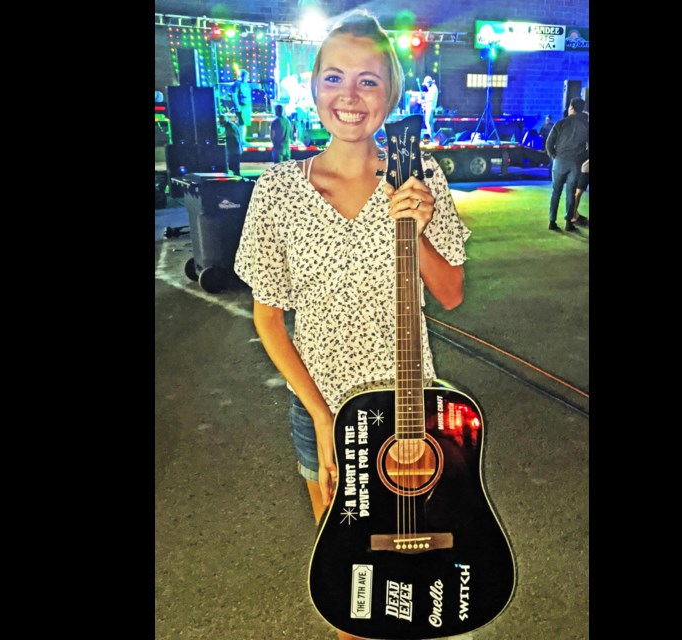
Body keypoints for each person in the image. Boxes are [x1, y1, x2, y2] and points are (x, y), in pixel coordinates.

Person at [233, 10, 470, 640]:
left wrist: (411, 227)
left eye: (369, 81)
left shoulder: (421, 179)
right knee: (352, 582)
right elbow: (269, 317)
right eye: (335, 77)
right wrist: (320, 415)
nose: (351, 95)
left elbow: (449, 292)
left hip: (411, 412)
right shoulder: (278, 190)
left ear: (391, 92)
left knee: (422, 569)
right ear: (313, 86)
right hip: (325, 409)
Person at [545, 98, 589, 232]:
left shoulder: (560, 123)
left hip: (559, 160)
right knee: (571, 192)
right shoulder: (586, 125)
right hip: (576, 163)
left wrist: (554, 156)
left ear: (571, 107)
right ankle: (569, 223)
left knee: (556, 192)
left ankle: (552, 221)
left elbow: (548, 143)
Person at [231, 69, 253, 150]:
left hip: (247, 107)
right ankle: (241, 140)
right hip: (241, 107)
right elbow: (234, 94)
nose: (246, 78)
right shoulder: (237, 83)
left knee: (244, 124)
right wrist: (237, 105)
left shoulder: (246, 84)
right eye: (245, 76)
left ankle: (243, 139)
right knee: (241, 123)